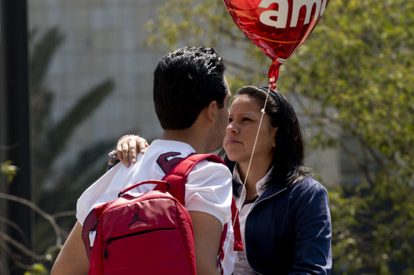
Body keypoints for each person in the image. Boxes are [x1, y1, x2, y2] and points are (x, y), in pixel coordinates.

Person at [51, 46, 236, 275]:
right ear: (211, 110)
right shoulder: (207, 173)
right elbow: (201, 267)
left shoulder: (117, 173)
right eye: (227, 102)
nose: (229, 115)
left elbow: (62, 271)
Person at [115, 85, 332, 274]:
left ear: (276, 134)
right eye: (229, 119)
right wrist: (134, 148)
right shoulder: (209, 179)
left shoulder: (306, 195)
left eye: (246, 120)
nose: (232, 128)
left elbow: (312, 269)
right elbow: (149, 198)